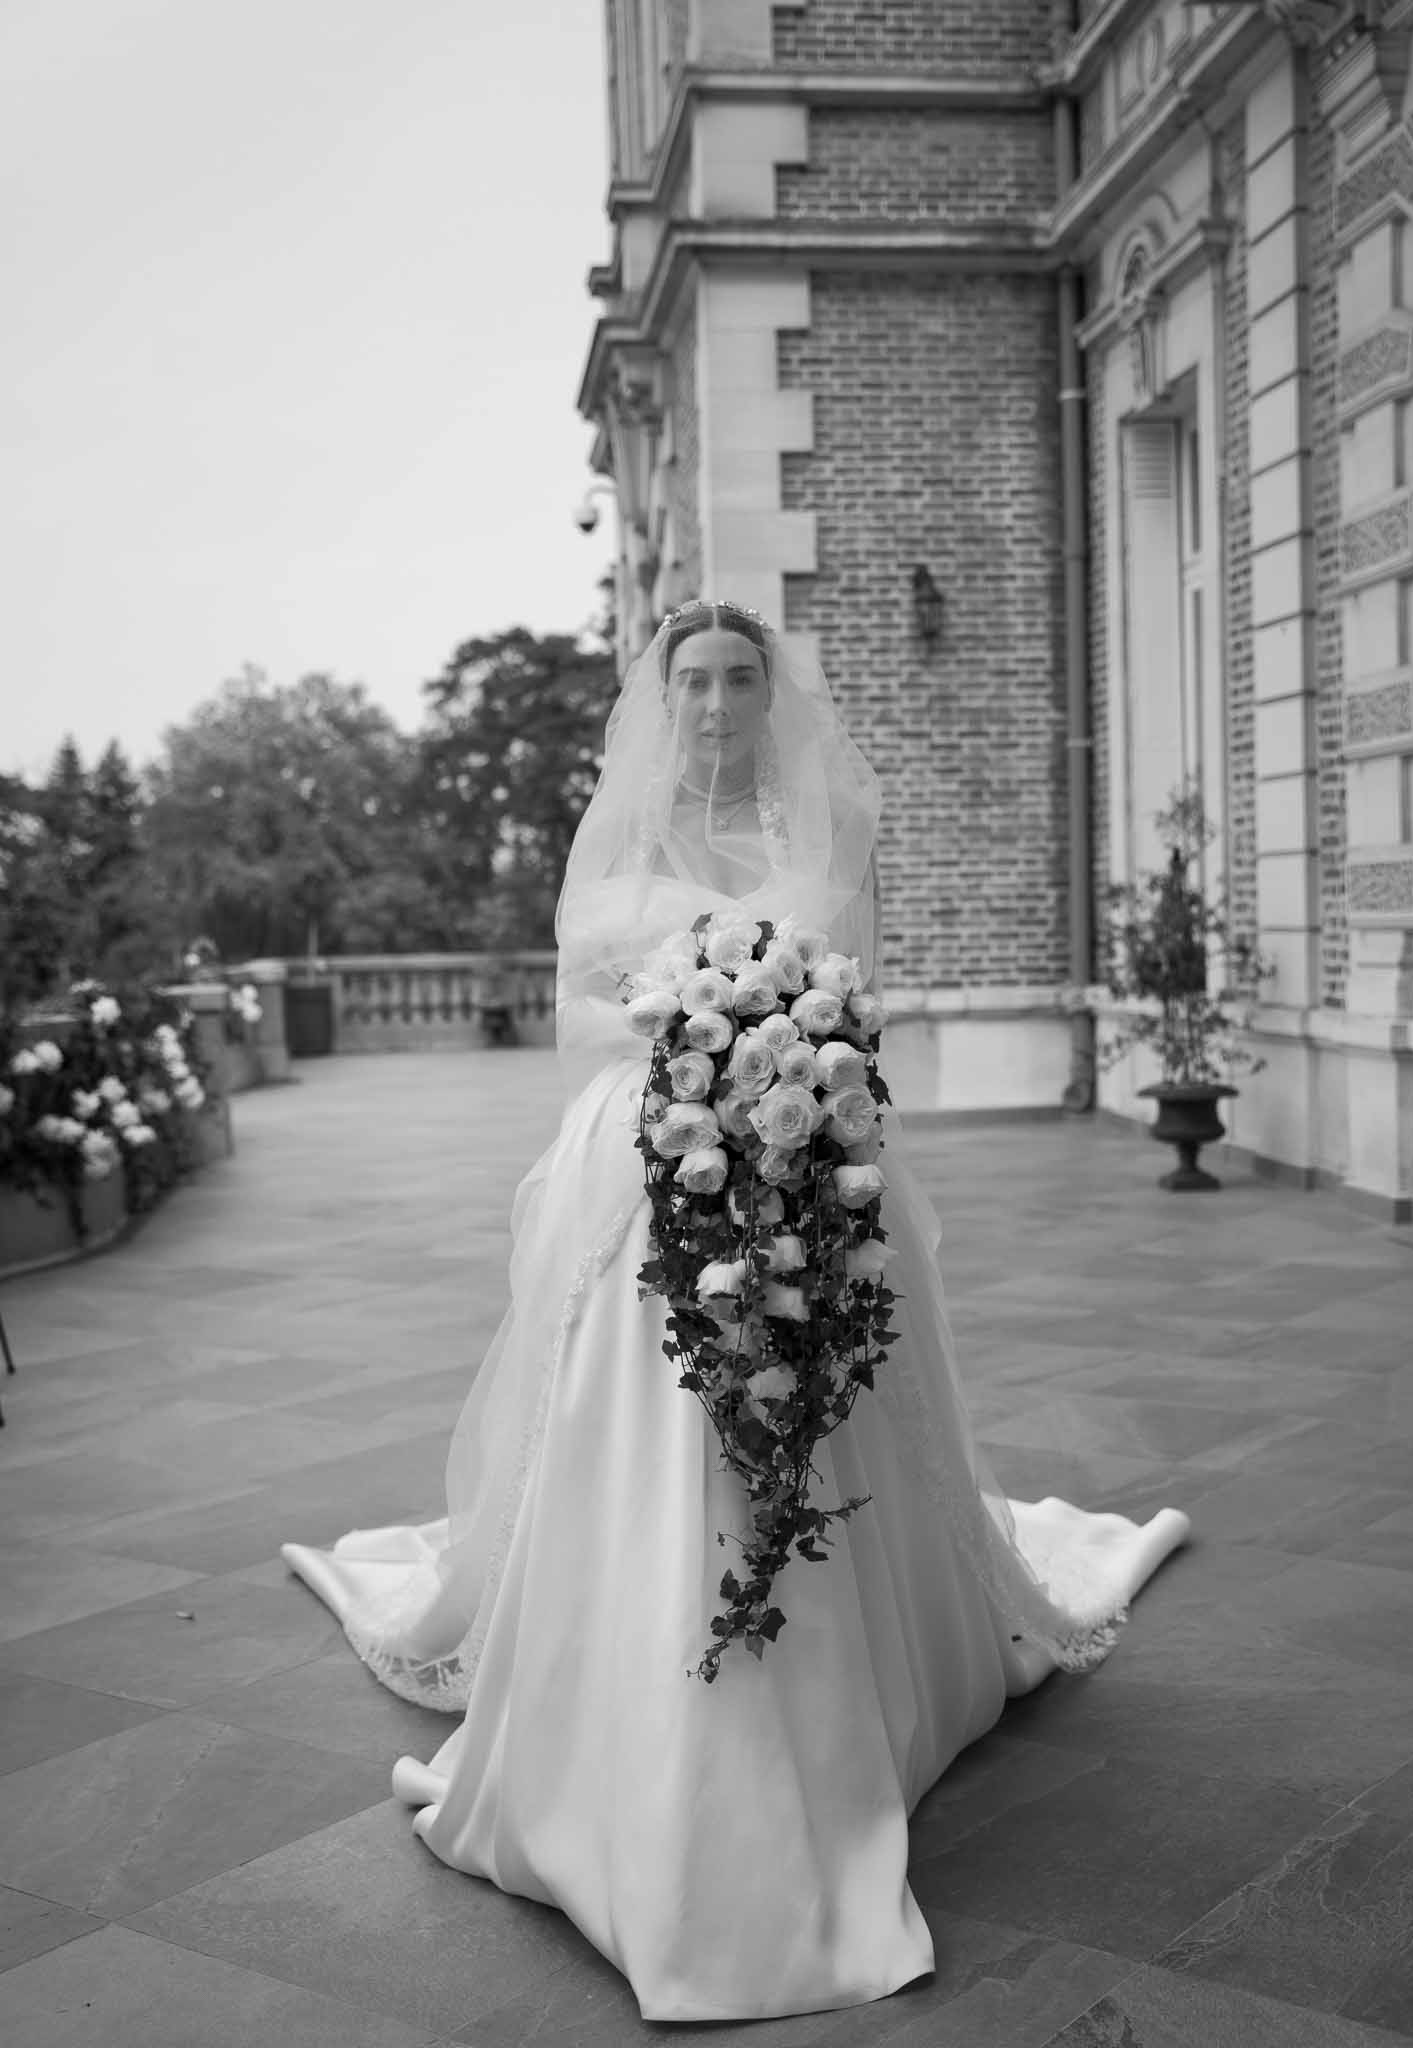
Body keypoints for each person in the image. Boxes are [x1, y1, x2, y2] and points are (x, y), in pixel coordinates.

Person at [282, 601, 1189, 2024]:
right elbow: (577, 1007)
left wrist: (789, 1023)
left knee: (823, 1377)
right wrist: (677, 1012)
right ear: (662, 696)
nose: (714, 701)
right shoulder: (618, 835)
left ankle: (829, 1694)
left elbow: (860, 997)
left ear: (772, 695)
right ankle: (634, 1695)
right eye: (693, 679)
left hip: (802, 1135)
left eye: (738, 679)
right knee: (631, 1403)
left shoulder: (823, 837)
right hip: (639, 1145)